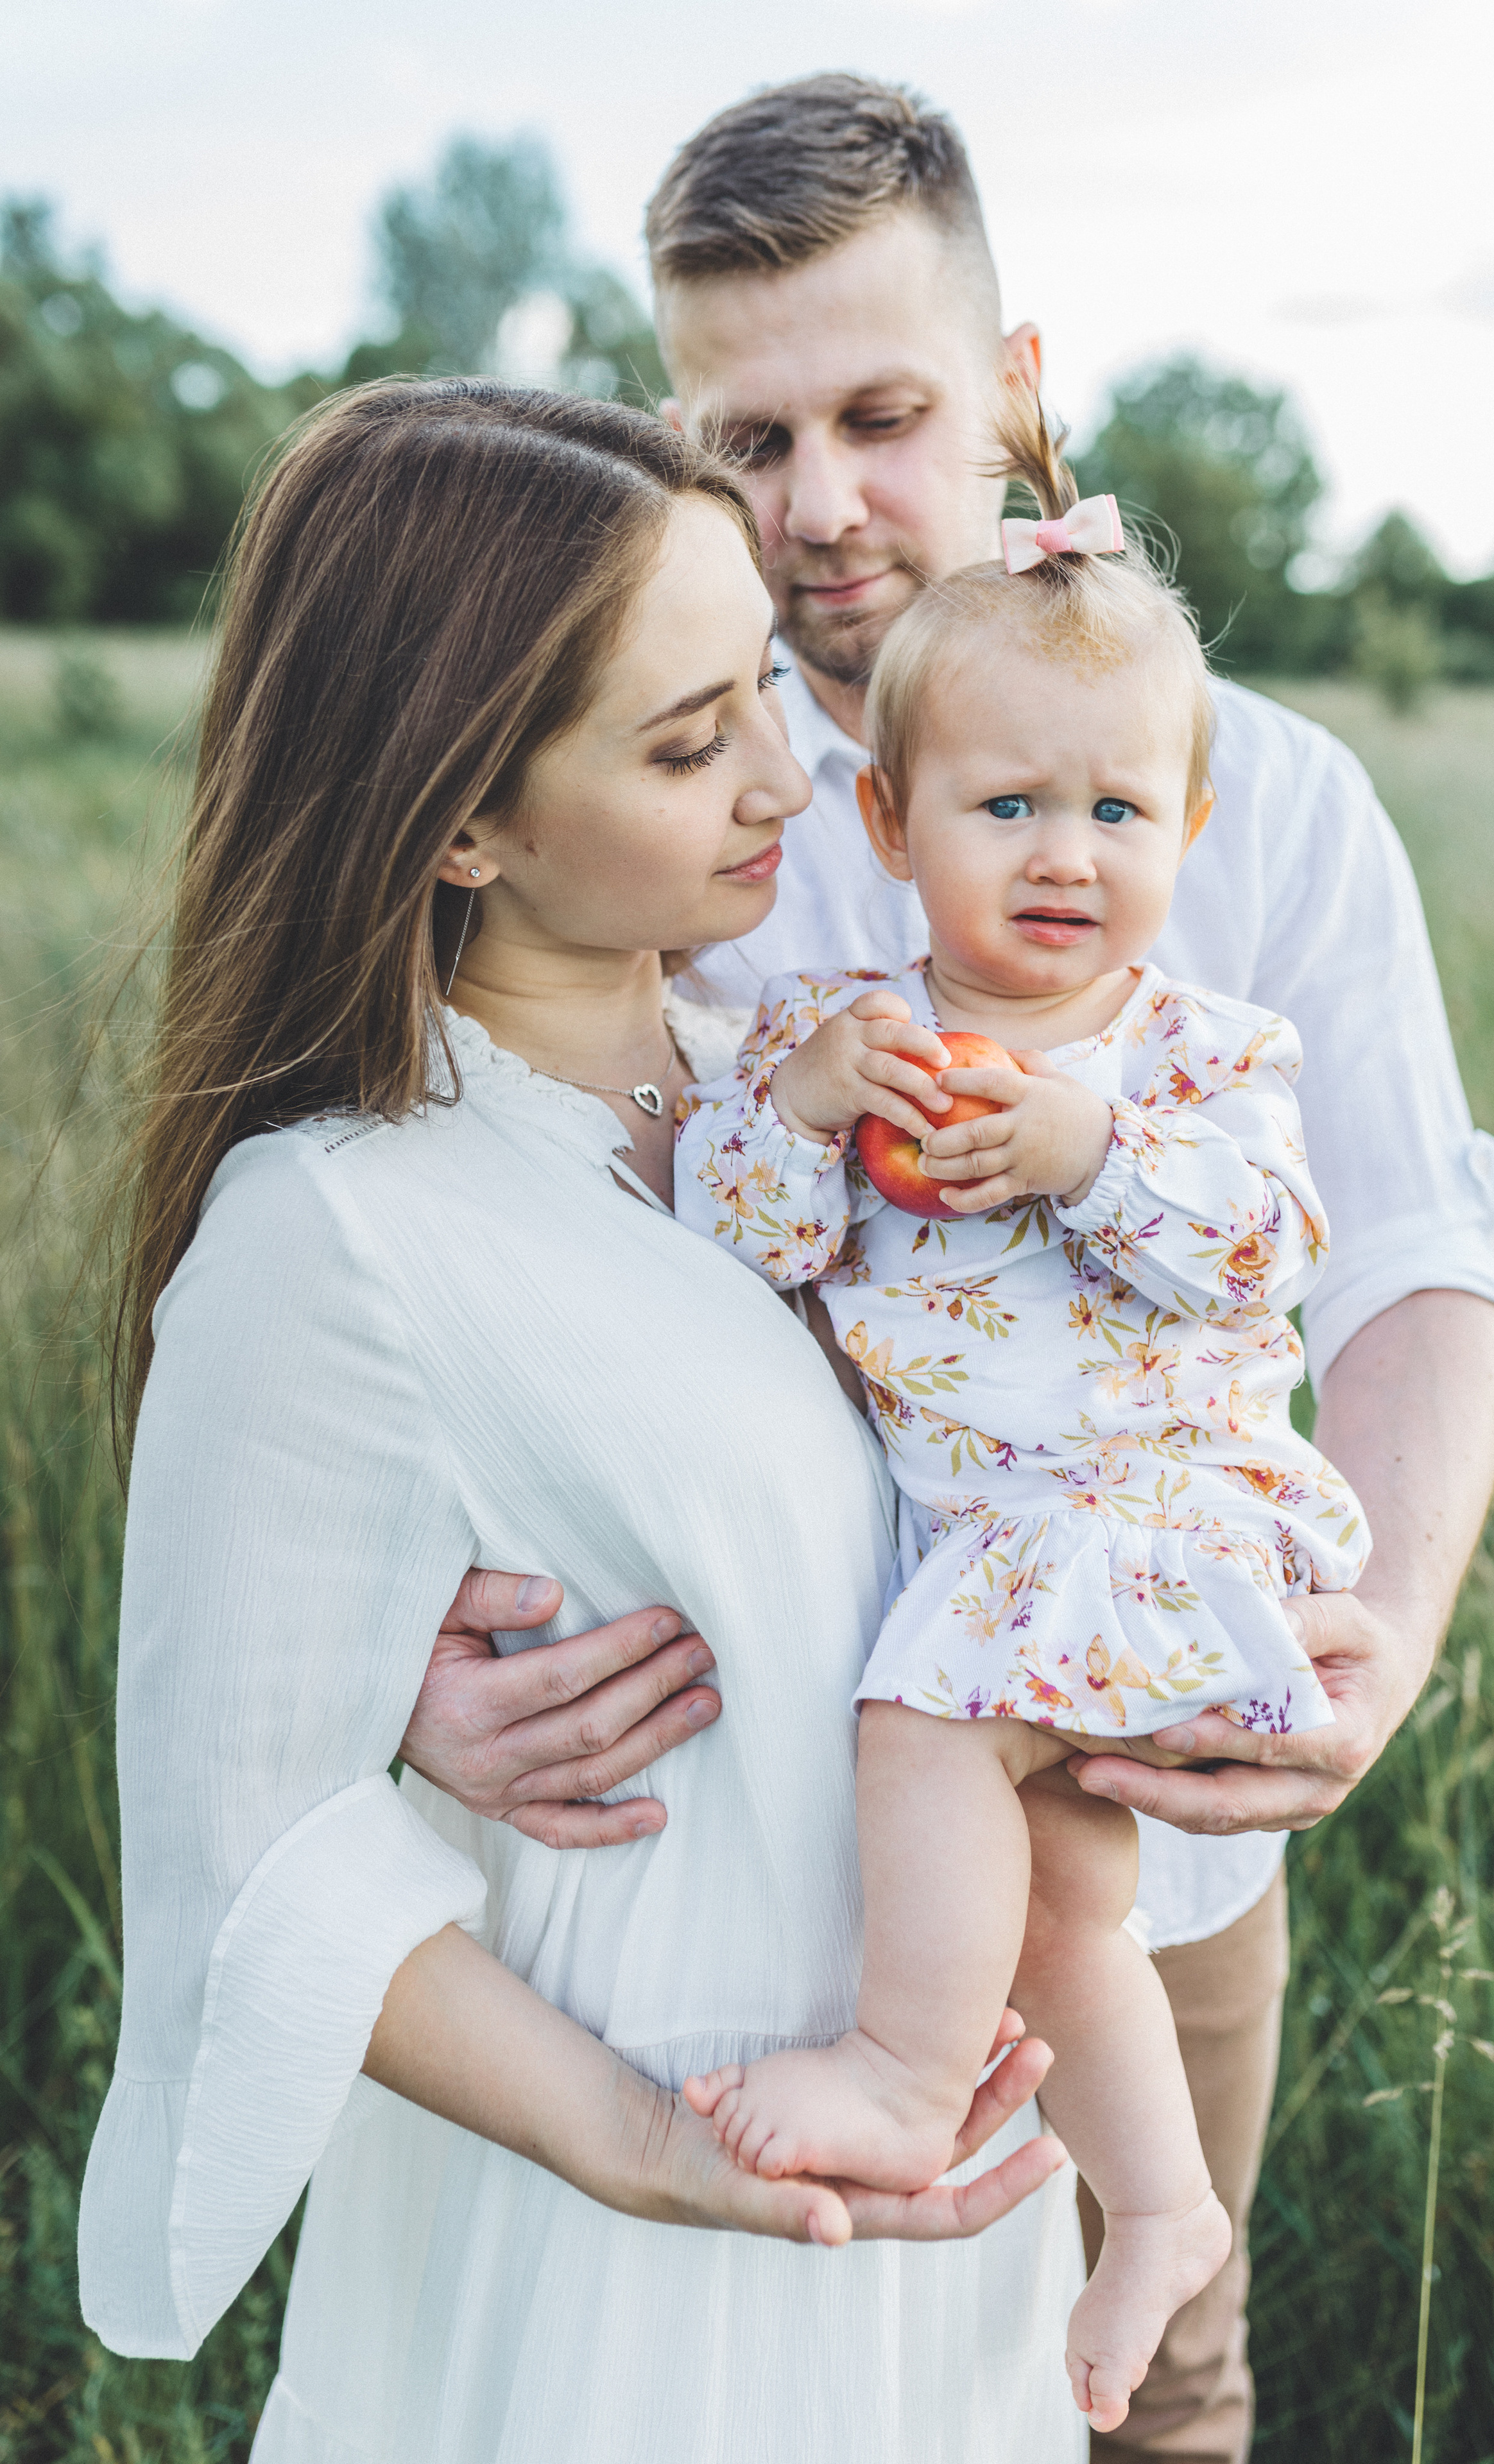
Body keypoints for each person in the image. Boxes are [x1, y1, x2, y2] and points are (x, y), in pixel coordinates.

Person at [395, 76, 1494, 2460]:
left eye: (885, 415)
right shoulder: (611, 811)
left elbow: (1407, 1253)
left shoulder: (1262, 804)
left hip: (1144, 1796)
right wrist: (399, 1664)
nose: (821, 503)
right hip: (704, 1873)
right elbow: (451, 1277)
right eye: (754, 434)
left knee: (1148, 2388)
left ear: (1013, 389)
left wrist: (1389, 1645)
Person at [78, 380, 1085, 2462]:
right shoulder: (339, 1229)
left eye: (764, 700)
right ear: (460, 821)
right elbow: (247, 1858)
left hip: (943, 2162)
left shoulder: (811, 1094)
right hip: (635, 2223)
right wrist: (643, 2149)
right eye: (685, 741)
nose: (789, 787)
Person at [674, 398, 1377, 2427]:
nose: (1067, 855)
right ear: (890, 824)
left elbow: (1271, 1244)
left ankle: (908, 2075)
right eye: (1004, 810)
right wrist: (799, 1117)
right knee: (1068, 1892)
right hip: (1007, 1553)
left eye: (1118, 814)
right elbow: (741, 1246)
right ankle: (1158, 2203)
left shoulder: (1200, 1059)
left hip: (1154, 1517)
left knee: (918, 1725)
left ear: (1191, 832)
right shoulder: (850, 1038)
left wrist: (1087, 1149)